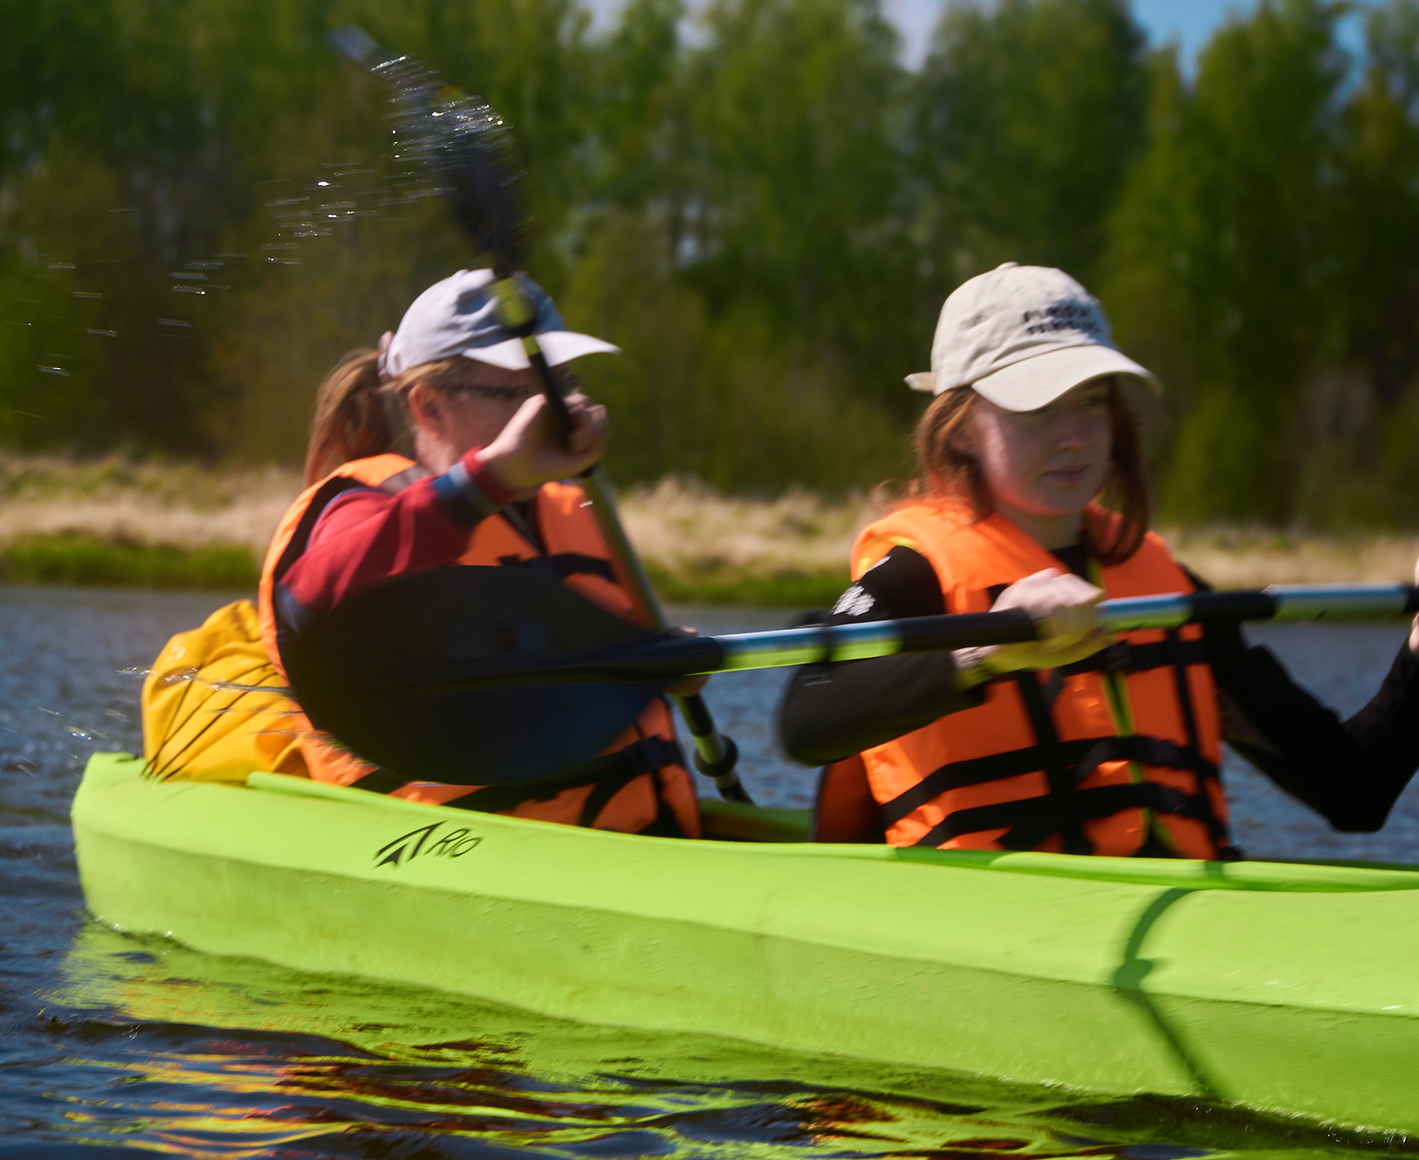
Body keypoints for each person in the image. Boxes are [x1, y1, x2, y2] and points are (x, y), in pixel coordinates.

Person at [778, 263, 1419, 857]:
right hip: (988, 924)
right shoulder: (913, 578)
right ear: (961, 427)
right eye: (1039, 406)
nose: (1077, 436)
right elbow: (806, 721)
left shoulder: (1168, 589)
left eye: (1092, 401)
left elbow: (1354, 791)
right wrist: (987, 655)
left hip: (1188, 915)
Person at [258, 267, 701, 836]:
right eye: (519, 393)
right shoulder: (363, 502)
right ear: (430, 408)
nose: (552, 410)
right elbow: (311, 593)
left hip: (635, 838)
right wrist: (487, 480)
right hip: (455, 848)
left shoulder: (574, 513)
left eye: (559, 384)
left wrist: (654, 665)